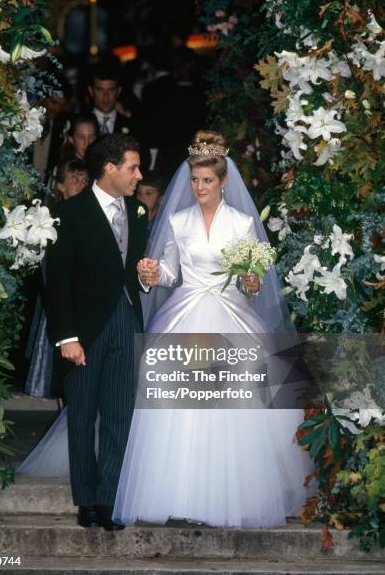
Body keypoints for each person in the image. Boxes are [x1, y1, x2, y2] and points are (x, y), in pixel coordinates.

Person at [112, 130, 312, 529]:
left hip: (231, 313)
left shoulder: (240, 223)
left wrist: (251, 282)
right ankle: (175, 493)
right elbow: (170, 270)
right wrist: (152, 274)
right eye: (195, 179)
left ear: (222, 182)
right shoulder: (177, 220)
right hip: (184, 311)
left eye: (207, 180)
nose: (199, 187)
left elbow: (250, 278)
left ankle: (237, 494)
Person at [43, 134, 153, 531]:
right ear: (109, 168)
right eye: (132, 168)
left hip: (125, 320)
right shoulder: (69, 214)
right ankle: (86, 500)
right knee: (83, 415)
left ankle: (109, 499)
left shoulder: (140, 212)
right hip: (84, 330)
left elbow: (134, 271)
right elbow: (57, 281)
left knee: (119, 416)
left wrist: (146, 278)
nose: (139, 176)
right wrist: (67, 336)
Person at [24, 159, 90, 400]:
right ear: (61, 185)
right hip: (60, 298)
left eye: (85, 180)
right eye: (75, 179)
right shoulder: (51, 218)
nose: (81, 184)